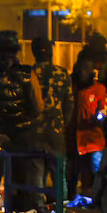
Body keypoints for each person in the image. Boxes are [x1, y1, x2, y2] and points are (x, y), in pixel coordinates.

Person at [0, 30, 43, 212]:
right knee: (19, 182)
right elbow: (38, 106)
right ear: (16, 51)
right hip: (21, 137)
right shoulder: (27, 73)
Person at [31, 36, 73, 195]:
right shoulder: (63, 73)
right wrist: (62, 124)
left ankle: (38, 207)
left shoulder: (29, 73)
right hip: (56, 131)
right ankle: (61, 208)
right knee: (59, 177)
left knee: (36, 176)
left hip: (35, 131)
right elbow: (69, 104)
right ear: (51, 52)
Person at [72, 58, 107, 193]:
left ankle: (98, 198)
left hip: (94, 139)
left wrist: (100, 116)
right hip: (78, 140)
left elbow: (103, 108)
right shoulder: (75, 89)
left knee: (97, 173)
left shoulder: (98, 89)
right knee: (81, 175)